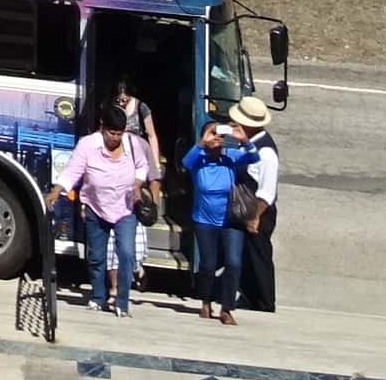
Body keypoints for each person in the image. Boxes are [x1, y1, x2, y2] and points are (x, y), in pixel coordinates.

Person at [51, 105, 156, 316]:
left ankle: (122, 302)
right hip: (96, 206)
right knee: (96, 256)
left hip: (125, 208)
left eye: (120, 133)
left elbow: (143, 167)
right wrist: (57, 191)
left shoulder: (133, 144)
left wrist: (137, 184)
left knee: (126, 254)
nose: (115, 138)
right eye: (111, 133)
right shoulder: (87, 145)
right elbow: (72, 172)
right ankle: (98, 296)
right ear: (102, 128)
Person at [178, 119, 254, 325]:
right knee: (208, 264)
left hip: (230, 219)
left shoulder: (230, 157)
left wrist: (244, 140)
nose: (217, 139)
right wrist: (203, 142)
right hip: (205, 220)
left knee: (233, 263)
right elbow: (185, 163)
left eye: (219, 135)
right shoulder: (198, 159)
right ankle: (205, 301)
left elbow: (254, 157)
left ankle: (227, 308)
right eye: (213, 135)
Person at [230, 98, 280, 313]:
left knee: (259, 257)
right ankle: (249, 295)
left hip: (259, 213)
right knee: (247, 258)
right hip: (247, 210)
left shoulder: (266, 153)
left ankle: (264, 302)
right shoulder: (248, 144)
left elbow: (266, 192)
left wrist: (254, 217)